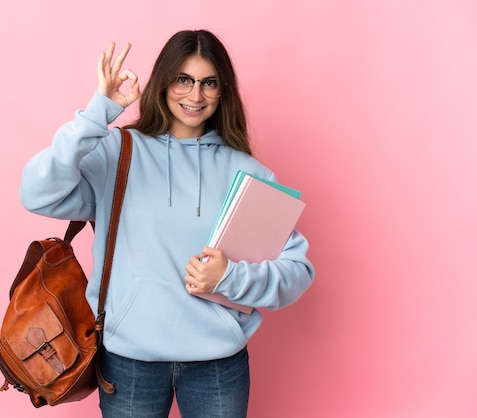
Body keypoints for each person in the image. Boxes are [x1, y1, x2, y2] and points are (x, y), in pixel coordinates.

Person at [20, 29, 314, 418]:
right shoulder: (118, 154)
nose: (195, 96)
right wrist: (97, 114)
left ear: (222, 90)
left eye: (209, 83)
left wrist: (230, 278)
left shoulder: (248, 174)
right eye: (183, 80)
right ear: (163, 82)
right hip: (129, 362)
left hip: (217, 366)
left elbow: (297, 271)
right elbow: (37, 193)